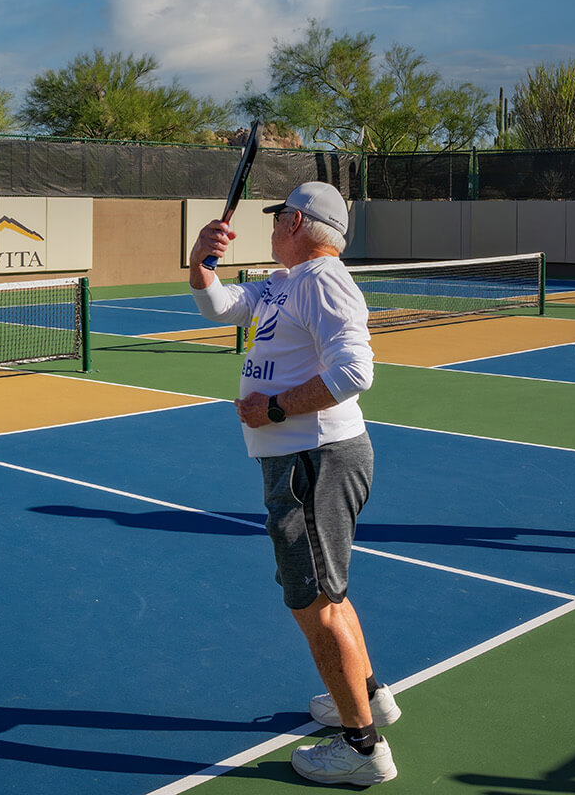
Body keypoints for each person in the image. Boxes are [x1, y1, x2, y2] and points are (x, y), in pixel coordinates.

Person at [188, 181, 400, 787]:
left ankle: (361, 748)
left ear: (300, 221)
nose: (272, 224)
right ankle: (367, 696)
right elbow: (218, 306)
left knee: (312, 602)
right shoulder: (285, 282)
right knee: (327, 596)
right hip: (306, 460)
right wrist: (201, 260)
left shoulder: (324, 280)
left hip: (316, 458)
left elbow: (355, 371)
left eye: (279, 215)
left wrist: (275, 408)